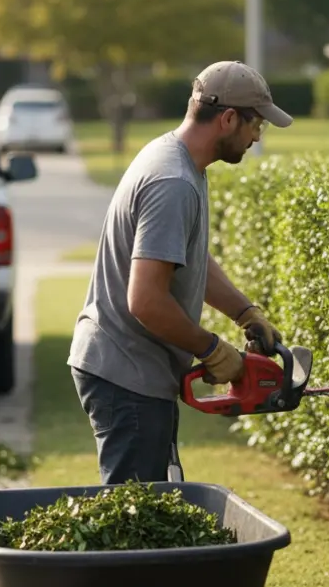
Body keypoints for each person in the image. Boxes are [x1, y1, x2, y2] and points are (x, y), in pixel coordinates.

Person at [68, 60, 292, 486]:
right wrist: (213, 350)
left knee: (150, 503)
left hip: (129, 367)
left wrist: (245, 312)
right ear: (228, 119)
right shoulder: (174, 182)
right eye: (255, 124)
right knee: (133, 522)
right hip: (126, 371)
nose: (257, 137)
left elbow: (186, 256)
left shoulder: (178, 160)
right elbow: (146, 301)